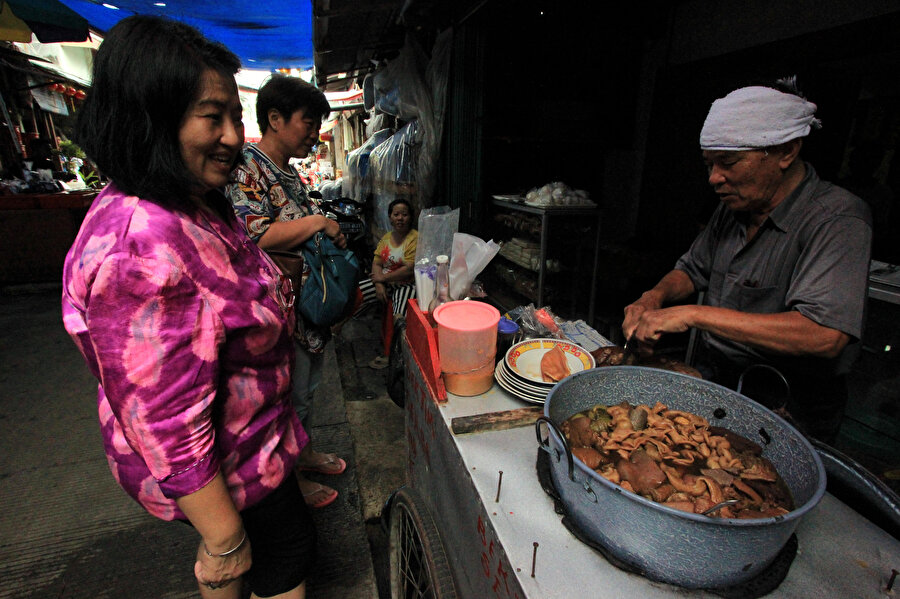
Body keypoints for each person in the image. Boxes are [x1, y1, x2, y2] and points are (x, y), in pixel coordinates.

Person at [61, 16, 314, 598]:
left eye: (235, 116)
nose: (232, 136)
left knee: (285, 550)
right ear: (151, 117)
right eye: (212, 117)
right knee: (273, 557)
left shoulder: (187, 196)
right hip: (228, 472)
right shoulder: (143, 252)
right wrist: (225, 541)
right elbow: (168, 424)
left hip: (255, 448)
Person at [622, 77, 873, 444]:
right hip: (719, 381)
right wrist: (652, 298)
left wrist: (693, 314)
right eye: (709, 164)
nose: (714, 178)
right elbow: (692, 270)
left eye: (728, 163)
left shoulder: (838, 219)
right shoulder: (735, 206)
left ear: (786, 151)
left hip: (789, 406)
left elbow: (824, 335)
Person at [227, 74, 347, 510]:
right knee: (286, 396)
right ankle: (288, 477)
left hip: (305, 306)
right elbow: (255, 236)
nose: (314, 133)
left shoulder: (287, 173)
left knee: (308, 389)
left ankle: (304, 452)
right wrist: (318, 223)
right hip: (275, 311)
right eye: (308, 121)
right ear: (275, 119)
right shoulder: (246, 169)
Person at [350, 198, 418, 369]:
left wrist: (381, 279)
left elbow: (409, 269)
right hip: (385, 283)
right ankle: (335, 329)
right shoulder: (386, 238)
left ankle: (392, 355)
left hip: (407, 284)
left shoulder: (415, 238)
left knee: (397, 315)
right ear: (390, 217)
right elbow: (377, 263)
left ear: (410, 217)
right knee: (357, 294)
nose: (400, 218)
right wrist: (379, 284)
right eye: (396, 214)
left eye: (404, 214)